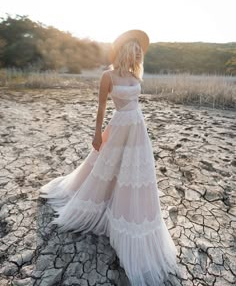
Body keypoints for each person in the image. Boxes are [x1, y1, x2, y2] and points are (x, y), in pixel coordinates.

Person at [39, 29, 179, 286]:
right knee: (106, 169)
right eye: (135, 47)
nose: (138, 52)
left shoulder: (136, 75)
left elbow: (135, 104)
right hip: (118, 128)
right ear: (125, 49)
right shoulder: (108, 76)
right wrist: (96, 134)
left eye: (140, 48)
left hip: (137, 130)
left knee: (135, 175)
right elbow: (102, 107)